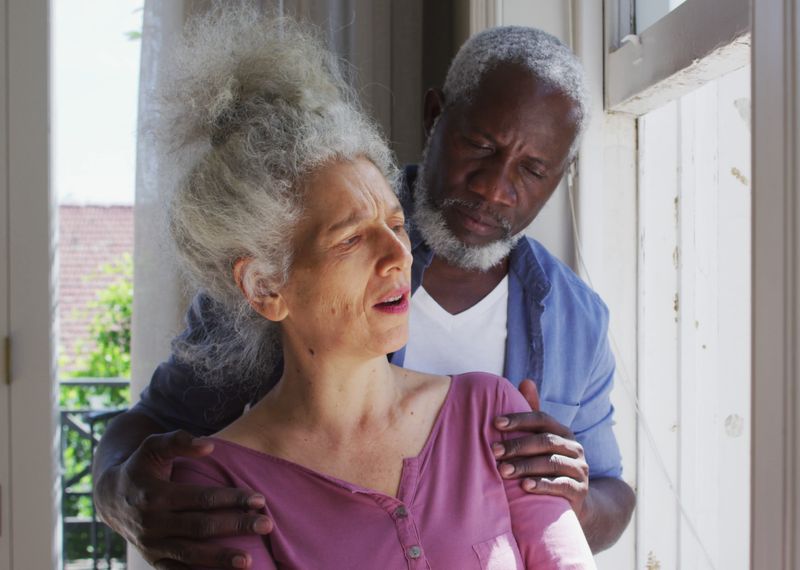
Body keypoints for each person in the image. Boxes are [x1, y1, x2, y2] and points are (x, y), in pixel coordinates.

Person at [93, 13, 636, 570]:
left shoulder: (572, 323)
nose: (496, 188)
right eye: (480, 146)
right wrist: (116, 494)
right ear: (435, 117)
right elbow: (152, 422)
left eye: (533, 169)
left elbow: (610, 491)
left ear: (562, 174)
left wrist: (571, 497)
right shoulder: (281, 246)